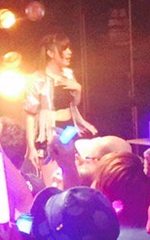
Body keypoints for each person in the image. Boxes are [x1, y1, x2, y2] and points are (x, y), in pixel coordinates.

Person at [24, 34, 97, 171]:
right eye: (64, 49)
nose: (69, 52)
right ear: (51, 53)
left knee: (72, 167)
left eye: (69, 48)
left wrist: (78, 90)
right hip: (50, 129)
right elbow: (30, 114)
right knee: (52, 168)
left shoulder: (68, 74)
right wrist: (31, 147)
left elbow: (74, 104)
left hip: (69, 127)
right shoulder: (37, 79)